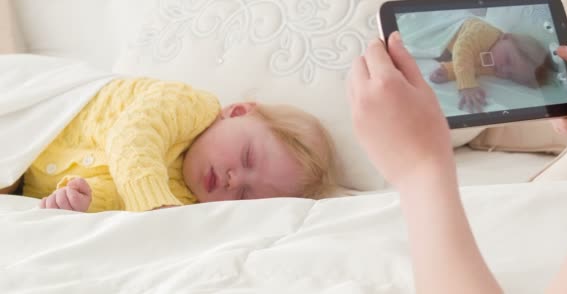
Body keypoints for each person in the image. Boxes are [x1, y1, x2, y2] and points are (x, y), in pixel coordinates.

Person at [348, 30, 567, 293]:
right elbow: (465, 57)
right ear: (506, 39)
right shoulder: (482, 34)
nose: (501, 70)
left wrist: (420, 172)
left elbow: (469, 67)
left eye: (508, 73)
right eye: (507, 64)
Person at [16, 78, 338, 212]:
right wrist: (155, 206)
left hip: (20, 174)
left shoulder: (183, 200)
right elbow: (133, 136)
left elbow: (119, 197)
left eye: (245, 195)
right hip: (35, 115)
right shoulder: (190, 106)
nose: (233, 179)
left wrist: (82, 199)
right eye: (246, 157)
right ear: (237, 112)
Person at [427, 17, 553, 113]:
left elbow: (474, 69)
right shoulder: (485, 33)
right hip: (451, 26)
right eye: (508, 60)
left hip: (450, 49)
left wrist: (449, 71)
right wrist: (467, 85)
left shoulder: (496, 67)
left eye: (510, 75)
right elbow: (463, 49)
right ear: (505, 37)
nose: (503, 70)